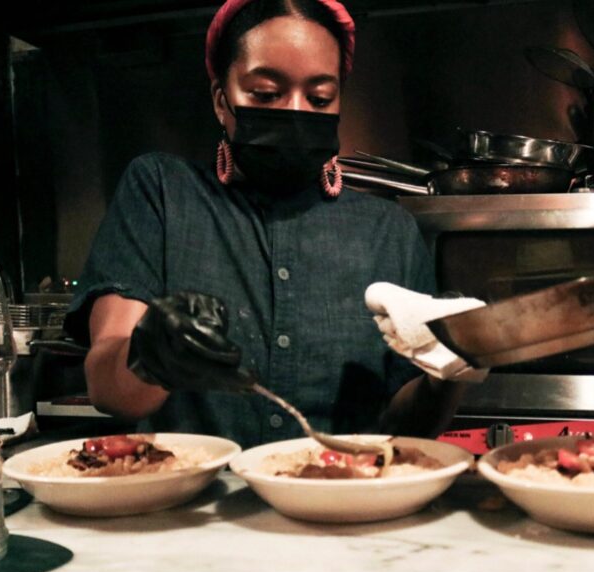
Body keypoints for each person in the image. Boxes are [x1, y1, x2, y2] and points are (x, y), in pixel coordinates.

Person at [64, 0, 476, 449]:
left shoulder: (388, 232)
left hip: (345, 503)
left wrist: (450, 370)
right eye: (264, 94)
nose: (296, 112)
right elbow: (108, 386)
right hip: (196, 511)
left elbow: (407, 429)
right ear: (222, 101)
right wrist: (154, 354)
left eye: (319, 98)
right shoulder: (162, 193)